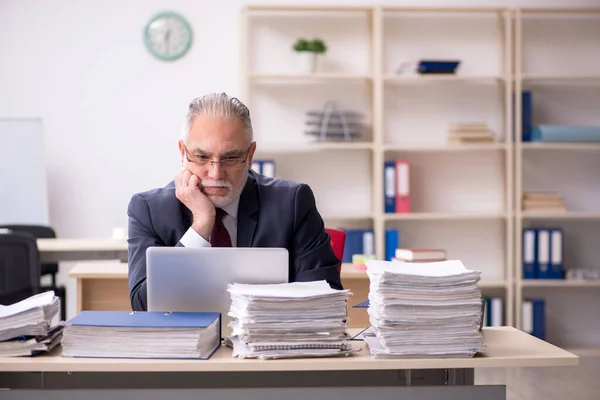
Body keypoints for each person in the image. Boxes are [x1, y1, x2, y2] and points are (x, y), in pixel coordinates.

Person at [126, 92, 343, 311]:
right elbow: (144, 306)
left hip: (264, 342)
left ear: (250, 156)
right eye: (202, 157)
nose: (216, 173)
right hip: (186, 343)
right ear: (183, 152)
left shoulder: (293, 203)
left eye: (230, 158)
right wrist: (201, 224)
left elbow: (325, 303)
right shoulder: (148, 209)